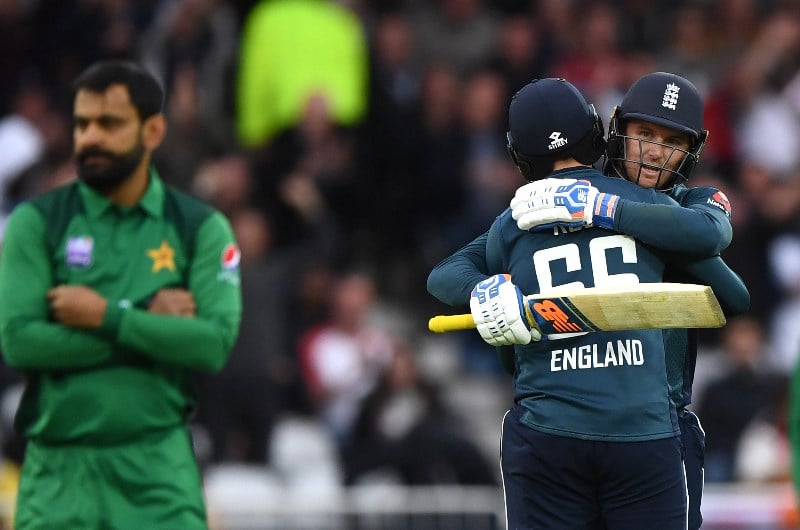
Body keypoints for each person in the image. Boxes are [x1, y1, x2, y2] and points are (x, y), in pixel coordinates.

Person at [428, 72, 749, 530]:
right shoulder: (646, 208)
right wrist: (488, 290)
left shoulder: (525, 215)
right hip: (642, 431)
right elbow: (733, 294)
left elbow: (444, 275)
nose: (656, 151)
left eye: (672, 140)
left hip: (586, 426)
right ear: (609, 130)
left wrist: (603, 210)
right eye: (645, 134)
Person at [0, 60, 242, 529]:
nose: (91, 138)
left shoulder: (200, 229)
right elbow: (21, 342)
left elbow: (211, 344)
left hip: (158, 479)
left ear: (151, 132)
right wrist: (147, 324)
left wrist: (104, 316)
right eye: (83, 124)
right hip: (59, 481)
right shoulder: (33, 227)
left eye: (109, 124)